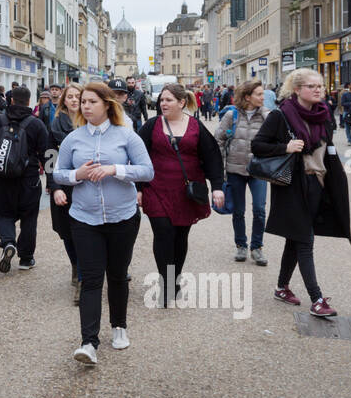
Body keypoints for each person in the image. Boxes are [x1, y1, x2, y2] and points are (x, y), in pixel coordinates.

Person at [54, 82, 154, 366]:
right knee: (91, 278)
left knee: (118, 274)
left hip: (122, 216)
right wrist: (78, 174)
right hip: (84, 218)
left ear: (107, 105)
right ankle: (88, 342)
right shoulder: (73, 138)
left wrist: (115, 170)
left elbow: (147, 171)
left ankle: (119, 326)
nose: (85, 106)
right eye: (82, 102)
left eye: (91, 102)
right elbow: (59, 174)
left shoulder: (126, 135)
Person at [251, 68, 350, 317]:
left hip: (319, 184)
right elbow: (258, 145)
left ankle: (282, 287)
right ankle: (317, 299)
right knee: (305, 241)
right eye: (311, 86)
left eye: (320, 86)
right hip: (292, 186)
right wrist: (285, 147)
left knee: (296, 239)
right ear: (297, 90)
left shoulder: (325, 116)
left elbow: (328, 151)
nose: (318, 90)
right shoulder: (281, 115)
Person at [137, 82, 225, 306]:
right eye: (162, 100)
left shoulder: (195, 126)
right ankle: (166, 284)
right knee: (163, 232)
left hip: (186, 190)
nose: (163, 103)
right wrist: (137, 188)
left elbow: (213, 156)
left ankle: (175, 279)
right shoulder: (151, 125)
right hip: (155, 187)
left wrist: (216, 186)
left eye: (168, 100)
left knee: (180, 236)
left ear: (181, 102)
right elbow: (137, 156)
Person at [0, 85, 50, 273]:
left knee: (4, 214)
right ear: (29, 102)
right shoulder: (36, 124)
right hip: (29, 180)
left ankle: (8, 242)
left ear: (11, 100)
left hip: (3, 179)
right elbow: (47, 153)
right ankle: (26, 258)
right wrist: (51, 178)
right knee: (29, 219)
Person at [215, 79, 269, 266]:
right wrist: (221, 170)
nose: (263, 97)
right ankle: (241, 245)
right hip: (235, 169)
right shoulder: (231, 115)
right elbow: (218, 141)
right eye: (259, 94)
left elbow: (277, 141)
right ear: (248, 97)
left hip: (258, 171)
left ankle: (257, 247)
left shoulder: (266, 116)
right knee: (238, 211)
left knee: (260, 209)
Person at [48, 81, 85, 302]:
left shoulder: (91, 123)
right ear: (64, 100)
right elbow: (50, 158)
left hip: (86, 186)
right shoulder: (55, 126)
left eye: (78, 97)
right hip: (63, 187)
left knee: (83, 233)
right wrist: (55, 188)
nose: (74, 100)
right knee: (66, 233)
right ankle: (75, 264)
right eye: (70, 97)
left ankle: (82, 279)